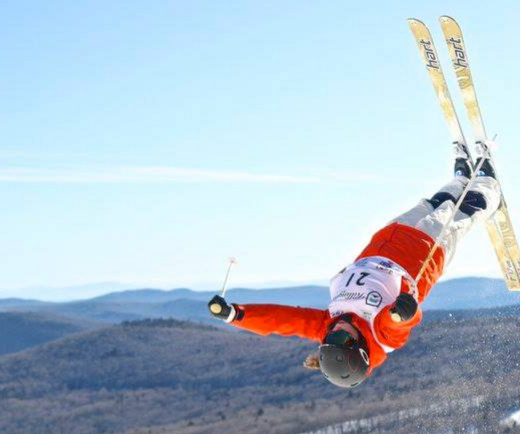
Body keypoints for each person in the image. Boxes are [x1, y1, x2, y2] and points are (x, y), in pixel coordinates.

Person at [208, 143, 501, 388]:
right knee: (460, 211)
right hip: (421, 253)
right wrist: (402, 314)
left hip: (386, 240)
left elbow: (283, 321)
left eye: (330, 337)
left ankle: (461, 177)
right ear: (359, 346)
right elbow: (394, 325)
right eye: (343, 336)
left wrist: (236, 314)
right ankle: (488, 186)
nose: (338, 328)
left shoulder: (329, 325)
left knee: (431, 203)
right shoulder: (380, 335)